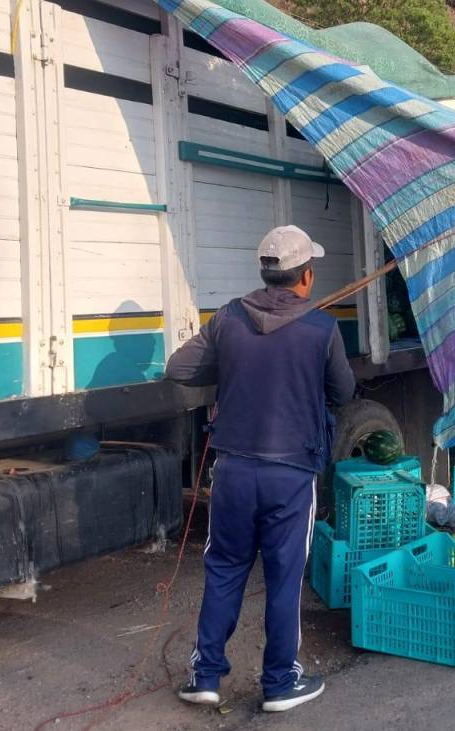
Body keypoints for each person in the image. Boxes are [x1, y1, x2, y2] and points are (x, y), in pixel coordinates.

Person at [164, 225, 355, 713]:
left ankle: (205, 677)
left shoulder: (228, 319)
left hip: (232, 471)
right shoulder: (322, 328)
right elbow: (344, 393)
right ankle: (278, 683)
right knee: (284, 576)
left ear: (267, 274)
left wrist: (231, 369)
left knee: (225, 569)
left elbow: (179, 368)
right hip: (290, 476)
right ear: (305, 277)